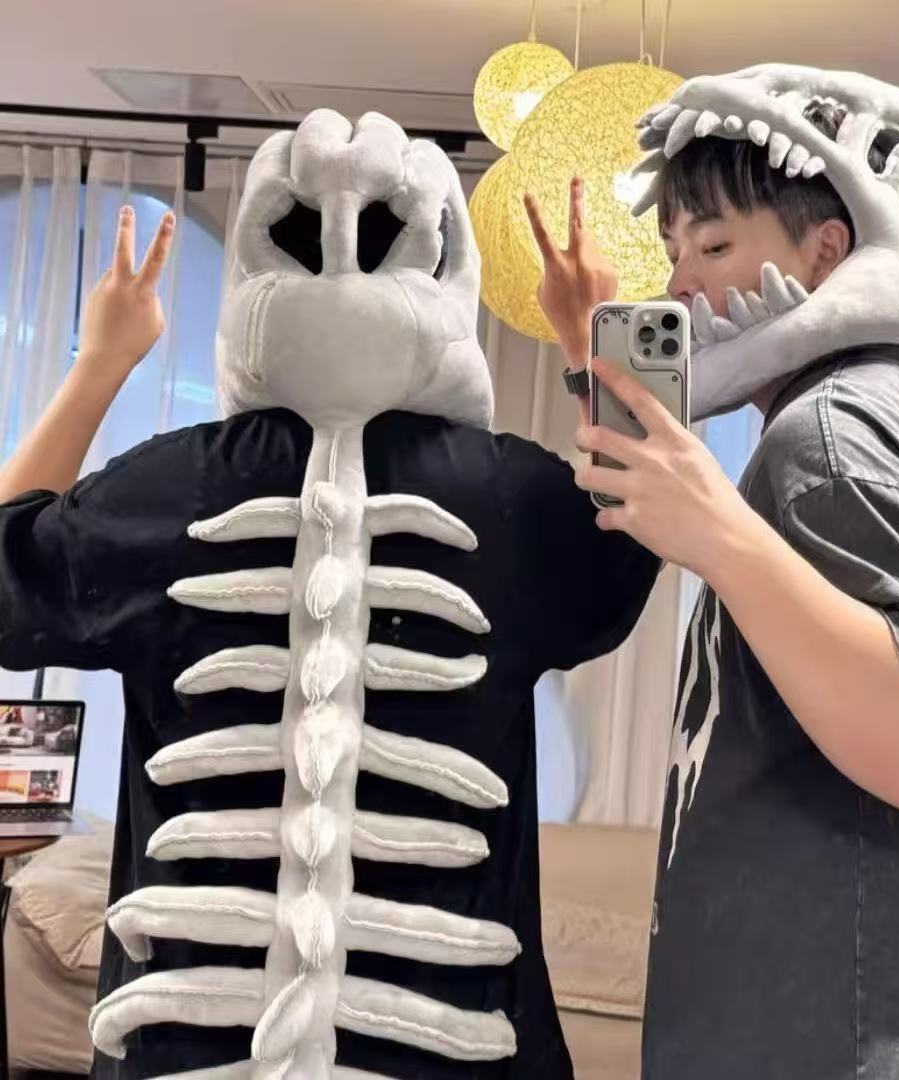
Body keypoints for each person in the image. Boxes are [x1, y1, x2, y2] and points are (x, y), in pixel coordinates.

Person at [0, 130, 657, 1077]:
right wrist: (595, 342)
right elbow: (643, 531)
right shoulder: (514, 498)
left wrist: (102, 362)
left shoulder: (167, 489)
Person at [526, 95, 899, 1077]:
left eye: (714, 246)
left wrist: (723, 537)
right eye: (674, 253)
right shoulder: (846, 416)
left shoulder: (830, 436)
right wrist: (587, 355)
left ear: (826, 253)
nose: (678, 284)